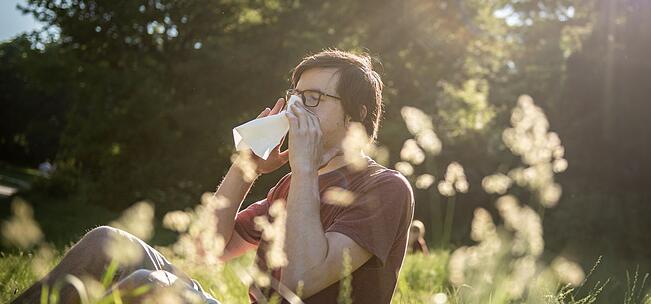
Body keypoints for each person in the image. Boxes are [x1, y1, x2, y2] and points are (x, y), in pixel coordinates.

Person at [11, 49, 415, 304]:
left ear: (357, 113)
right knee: (107, 241)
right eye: (294, 97)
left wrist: (305, 167)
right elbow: (207, 250)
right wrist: (246, 169)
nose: (295, 110)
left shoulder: (384, 188)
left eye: (312, 99)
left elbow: (303, 280)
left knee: (151, 285)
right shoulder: (290, 185)